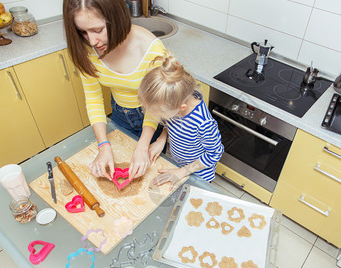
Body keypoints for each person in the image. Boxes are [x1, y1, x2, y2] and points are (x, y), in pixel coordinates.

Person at [63, 0, 165, 180]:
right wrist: (103, 145)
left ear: (117, 17)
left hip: (151, 117)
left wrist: (143, 146)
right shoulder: (86, 49)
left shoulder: (151, 50)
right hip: (118, 114)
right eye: (83, 32)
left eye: (97, 30)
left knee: (149, 174)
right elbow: (93, 98)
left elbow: (156, 104)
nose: (92, 41)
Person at [138, 53, 224, 186]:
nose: (157, 116)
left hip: (198, 174)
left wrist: (183, 171)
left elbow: (215, 153)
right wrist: (161, 139)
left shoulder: (203, 123)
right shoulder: (175, 104)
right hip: (177, 164)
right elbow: (171, 123)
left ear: (181, 107)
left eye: (160, 112)